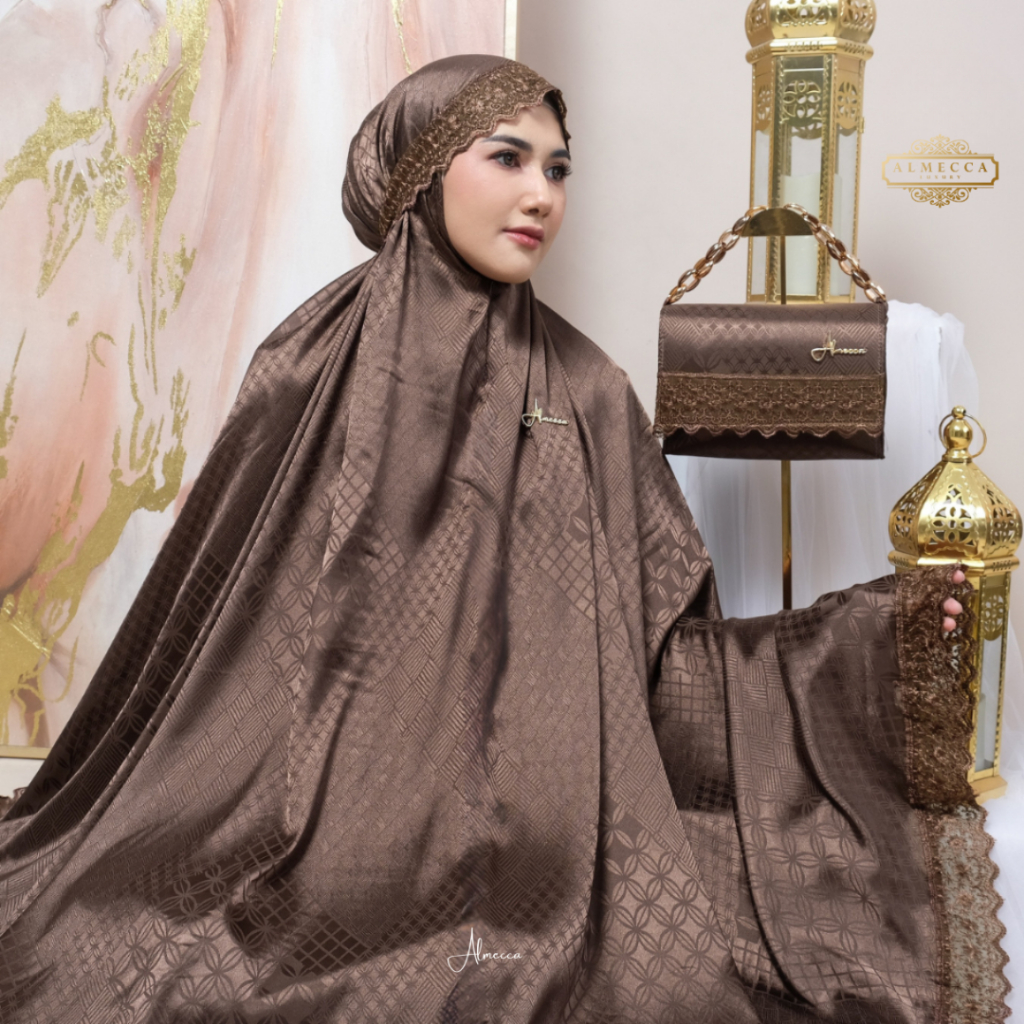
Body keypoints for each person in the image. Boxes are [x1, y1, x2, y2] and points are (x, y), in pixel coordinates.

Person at [0, 55, 1006, 1023]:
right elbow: (203, 637)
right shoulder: (302, 370)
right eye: (508, 158)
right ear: (420, 170)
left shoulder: (590, 392)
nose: (541, 196)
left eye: (558, 169)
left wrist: (878, 632)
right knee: (120, 935)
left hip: (539, 838)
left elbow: (671, 665)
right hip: (281, 810)